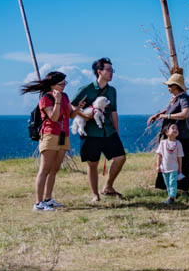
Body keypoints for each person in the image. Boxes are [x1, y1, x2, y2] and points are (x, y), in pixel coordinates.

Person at [71, 58, 126, 202]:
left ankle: (108, 186)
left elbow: (114, 111)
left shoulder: (112, 91)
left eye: (112, 70)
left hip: (108, 131)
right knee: (93, 163)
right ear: (99, 71)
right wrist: (84, 115)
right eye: (108, 70)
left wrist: (117, 131)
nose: (111, 73)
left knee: (120, 158)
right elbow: (71, 107)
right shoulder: (86, 89)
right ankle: (95, 194)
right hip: (90, 133)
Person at [21, 71, 72, 212]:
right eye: (61, 84)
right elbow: (54, 117)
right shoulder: (45, 99)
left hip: (63, 135)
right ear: (52, 85)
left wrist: (77, 107)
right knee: (44, 169)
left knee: (54, 169)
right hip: (49, 135)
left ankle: (48, 199)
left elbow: (69, 114)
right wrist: (57, 101)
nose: (64, 86)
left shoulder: (65, 96)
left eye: (64, 83)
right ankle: (38, 203)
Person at [147, 73, 189, 194]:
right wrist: (157, 115)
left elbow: (185, 113)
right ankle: (170, 188)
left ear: (176, 86)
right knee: (169, 162)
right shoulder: (176, 99)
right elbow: (169, 109)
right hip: (175, 138)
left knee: (183, 163)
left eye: (170, 86)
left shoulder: (184, 99)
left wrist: (166, 116)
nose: (168, 88)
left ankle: (183, 190)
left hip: (183, 138)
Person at [154, 123, 185, 205]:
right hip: (164, 168)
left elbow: (180, 157)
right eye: (173, 128)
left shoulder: (178, 144)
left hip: (174, 168)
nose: (175, 130)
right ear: (166, 132)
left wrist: (180, 169)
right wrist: (158, 166)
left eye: (177, 129)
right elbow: (159, 155)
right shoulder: (163, 143)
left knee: (172, 182)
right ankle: (170, 196)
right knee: (167, 183)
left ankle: (172, 197)